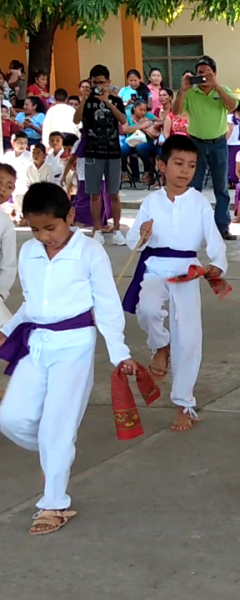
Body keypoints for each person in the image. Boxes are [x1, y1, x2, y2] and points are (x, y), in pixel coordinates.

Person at [0, 182, 136, 536]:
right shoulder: (29, 252)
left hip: (75, 344)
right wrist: (9, 329)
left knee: (57, 425)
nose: (45, 236)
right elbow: (31, 304)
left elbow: (106, 305)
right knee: (10, 417)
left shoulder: (89, 251)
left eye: (51, 227)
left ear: (70, 216)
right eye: (36, 229)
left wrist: (120, 352)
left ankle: (53, 504)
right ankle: (55, 449)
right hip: (36, 341)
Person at [123, 135, 228, 433]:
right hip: (155, 266)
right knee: (146, 310)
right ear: (162, 165)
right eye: (178, 164)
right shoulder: (151, 201)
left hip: (187, 270)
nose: (185, 171)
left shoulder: (199, 203)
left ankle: (184, 404)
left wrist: (217, 263)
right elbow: (135, 242)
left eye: (191, 166)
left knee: (189, 338)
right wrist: (142, 234)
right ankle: (160, 345)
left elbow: (214, 238)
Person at [173, 55, 239, 241]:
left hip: (218, 143)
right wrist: (183, 90)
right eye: (199, 73)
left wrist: (216, 85)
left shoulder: (223, 90)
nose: (202, 76)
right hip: (195, 144)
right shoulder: (191, 93)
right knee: (193, 188)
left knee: (221, 188)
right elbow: (177, 111)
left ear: (215, 73)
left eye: (206, 72)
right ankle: (193, 228)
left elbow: (233, 106)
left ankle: (222, 227)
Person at [73, 64, 128, 245]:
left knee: (114, 193)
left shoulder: (116, 100)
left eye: (102, 82)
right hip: (92, 152)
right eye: (95, 82)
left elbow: (122, 120)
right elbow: (76, 119)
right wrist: (84, 99)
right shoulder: (87, 101)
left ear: (108, 82)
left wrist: (107, 101)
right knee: (94, 194)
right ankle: (96, 230)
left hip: (112, 152)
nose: (99, 85)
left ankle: (117, 229)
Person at [0, 163, 17, 324]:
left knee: (9, 335)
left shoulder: (6, 224)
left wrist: (2, 292)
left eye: (9, 186)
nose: (3, 189)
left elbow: (8, 263)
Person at [226, 101, 240, 186]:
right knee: (238, 163)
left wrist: (225, 140)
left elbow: (229, 130)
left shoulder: (229, 117)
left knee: (232, 163)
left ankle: (231, 180)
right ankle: (237, 180)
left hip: (232, 143)